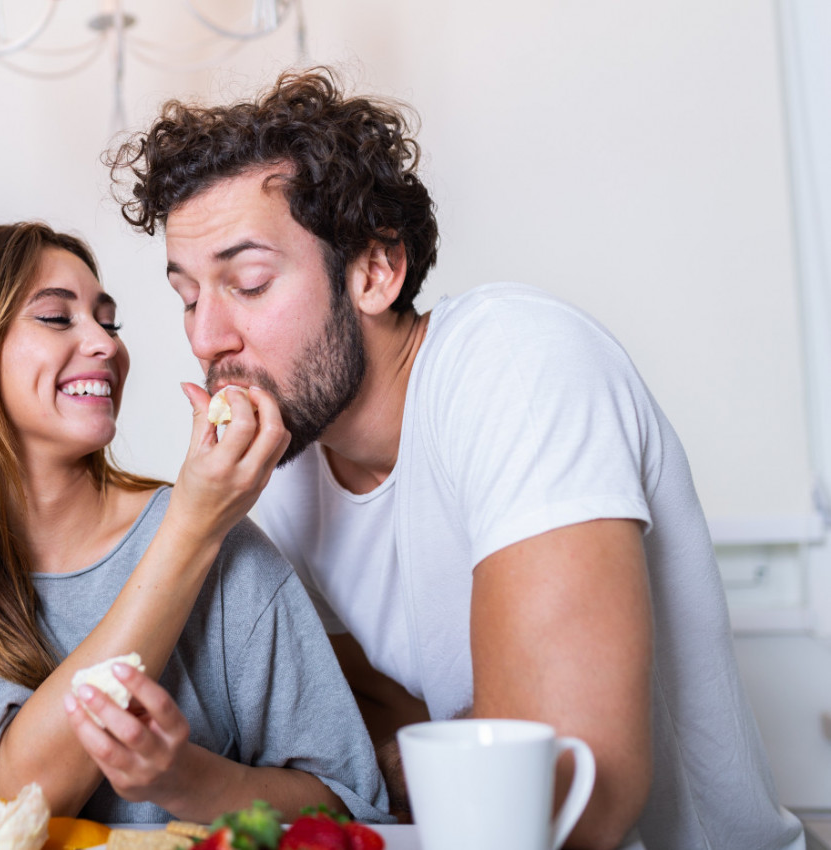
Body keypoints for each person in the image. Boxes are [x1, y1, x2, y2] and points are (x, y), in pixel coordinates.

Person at [109, 69, 806, 850]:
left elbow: (572, 801)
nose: (206, 339)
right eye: (188, 297)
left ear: (375, 272)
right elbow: (363, 747)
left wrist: (409, 761)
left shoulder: (518, 362)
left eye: (247, 283)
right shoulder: (282, 479)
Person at [0, 222, 390, 825]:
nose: (105, 345)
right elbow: (7, 807)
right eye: (56, 318)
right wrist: (188, 531)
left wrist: (189, 781)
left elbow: (352, 805)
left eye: (109, 323)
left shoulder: (226, 546)